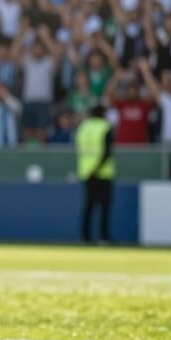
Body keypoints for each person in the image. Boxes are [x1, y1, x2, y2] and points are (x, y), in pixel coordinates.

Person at [75, 103, 114, 244]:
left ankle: (85, 237)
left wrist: (89, 169)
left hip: (86, 172)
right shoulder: (105, 127)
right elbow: (107, 152)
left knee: (88, 207)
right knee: (104, 208)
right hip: (103, 173)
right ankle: (103, 237)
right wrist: (97, 168)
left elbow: (79, 147)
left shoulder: (83, 127)